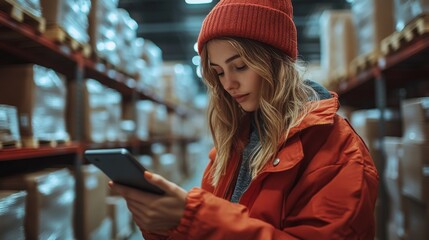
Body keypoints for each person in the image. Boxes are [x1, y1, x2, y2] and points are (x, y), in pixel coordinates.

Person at [110, 0, 379, 239]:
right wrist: (165, 225)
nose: (229, 84)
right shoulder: (233, 145)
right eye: (219, 73)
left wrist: (195, 219)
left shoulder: (337, 150)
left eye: (239, 66)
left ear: (274, 60)